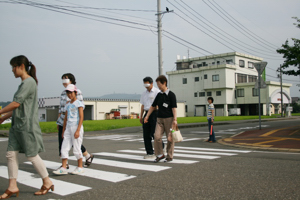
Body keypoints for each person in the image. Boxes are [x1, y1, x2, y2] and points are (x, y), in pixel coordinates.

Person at [0, 55, 54, 198]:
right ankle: (12, 186)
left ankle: (47, 181)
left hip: (26, 126)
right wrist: (4, 117)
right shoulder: (24, 83)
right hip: (17, 126)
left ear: (21, 66)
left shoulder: (28, 82)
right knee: (11, 154)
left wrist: (0, 111)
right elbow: (19, 107)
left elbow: (16, 104)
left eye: (13, 67)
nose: (12, 70)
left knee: (32, 156)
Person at [56, 73, 93, 168]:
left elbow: (80, 107)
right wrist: (58, 120)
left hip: (73, 122)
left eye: (66, 79)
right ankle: (65, 164)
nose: (64, 81)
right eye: (62, 79)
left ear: (71, 80)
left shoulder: (77, 91)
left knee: (75, 144)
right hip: (63, 120)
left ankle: (87, 156)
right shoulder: (63, 93)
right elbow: (61, 108)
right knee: (63, 143)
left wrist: (77, 125)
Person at [53, 84, 85, 175]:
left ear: (75, 93)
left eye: (71, 92)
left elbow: (81, 117)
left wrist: (78, 130)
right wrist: (63, 131)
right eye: (68, 93)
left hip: (76, 127)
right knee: (64, 147)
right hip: (68, 128)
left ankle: (80, 167)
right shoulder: (68, 104)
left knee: (76, 148)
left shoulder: (79, 103)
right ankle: (63, 167)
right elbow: (66, 118)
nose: (69, 94)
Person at [144, 75, 177, 163]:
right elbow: (152, 106)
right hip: (159, 119)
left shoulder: (171, 95)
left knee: (169, 138)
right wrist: (147, 116)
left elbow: (174, 108)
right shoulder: (159, 95)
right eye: (157, 84)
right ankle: (160, 154)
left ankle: (169, 156)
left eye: (159, 84)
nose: (158, 86)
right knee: (157, 136)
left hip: (169, 119)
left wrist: (175, 120)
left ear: (164, 83)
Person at [140, 77, 165, 159]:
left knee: (154, 133)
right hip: (146, 113)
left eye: (147, 84)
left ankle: (162, 147)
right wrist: (141, 116)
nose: (146, 86)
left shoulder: (157, 92)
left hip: (155, 113)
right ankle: (149, 152)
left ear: (151, 83)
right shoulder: (144, 94)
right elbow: (142, 105)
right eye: (145, 84)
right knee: (146, 134)